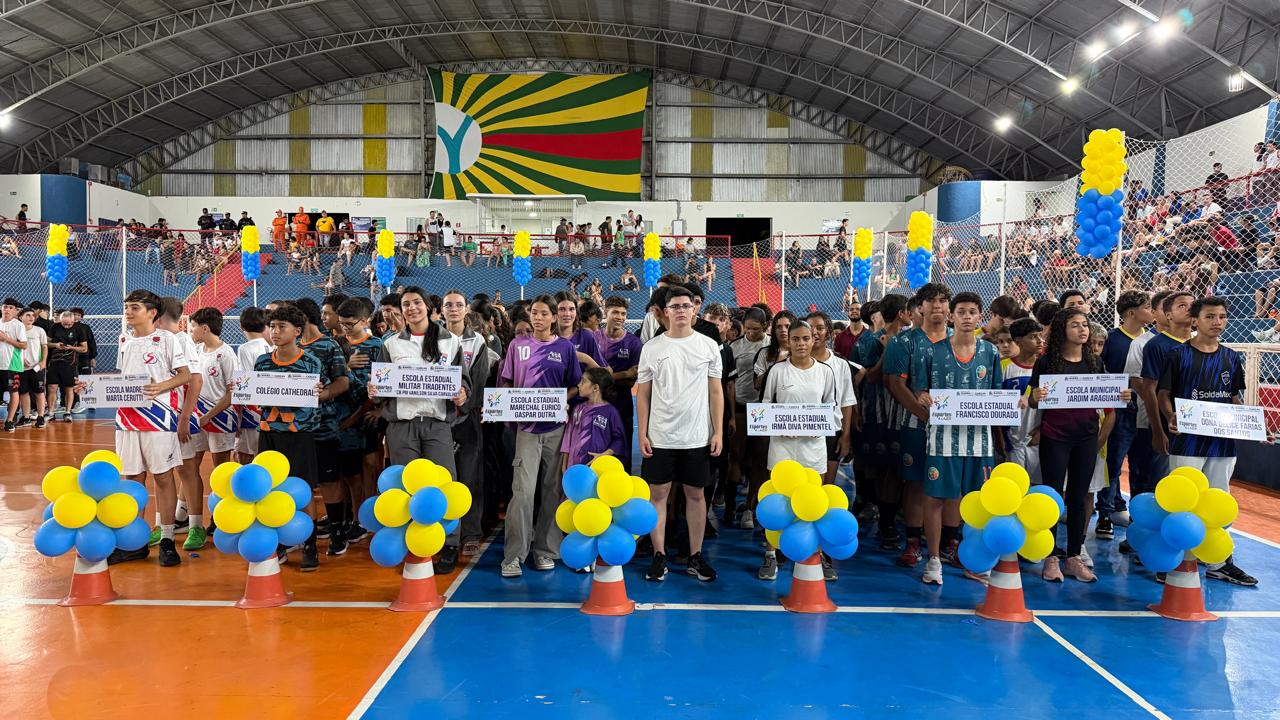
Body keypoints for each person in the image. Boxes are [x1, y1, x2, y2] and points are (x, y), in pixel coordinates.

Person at [1158, 296, 1257, 586]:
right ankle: (1174, 560)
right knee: (1182, 499)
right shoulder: (1178, 355)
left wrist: (1249, 425)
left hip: (1221, 441)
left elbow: (1234, 397)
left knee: (1218, 499)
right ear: (1195, 320)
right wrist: (1170, 416)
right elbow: (1163, 393)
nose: (1217, 322)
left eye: (1222, 317)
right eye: (1210, 317)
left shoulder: (1231, 357)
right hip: (1187, 439)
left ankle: (1219, 561)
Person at [1030, 307, 1131, 583]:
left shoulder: (1095, 363)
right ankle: (1051, 557)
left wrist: (1120, 395)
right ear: (1062, 330)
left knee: (1078, 497)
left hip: (1086, 437)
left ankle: (1073, 556)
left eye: (1084, 324)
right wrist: (1036, 396)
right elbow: (1033, 402)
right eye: (1075, 325)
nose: (1082, 330)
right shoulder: (1046, 363)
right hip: (1055, 436)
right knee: (1053, 497)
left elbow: (1107, 397)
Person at [913, 292, 1003, 586]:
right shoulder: (933, 352)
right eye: (961, 312)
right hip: (942, 438)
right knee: (935, 499)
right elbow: (920, 389)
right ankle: (934, 560)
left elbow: (998, 394)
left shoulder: (990, 352)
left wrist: (1013, 404)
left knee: (979, 502)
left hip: (980, 441)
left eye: (972, 312)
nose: (967, 317)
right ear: (951, 316)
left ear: (980, 317)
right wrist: (922, 396)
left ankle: (976, 561)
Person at [637, 285, 723, 583]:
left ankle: (695, 555)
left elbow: (716, 392)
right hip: (660, 436)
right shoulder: (652, 348)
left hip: (697, 436)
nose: (682, 310)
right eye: (675, 306)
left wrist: (717, 431)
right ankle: (659, 555)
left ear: (694, 309)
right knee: (658, 494)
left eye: (687, 305)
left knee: (695, 495)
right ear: (666, 311)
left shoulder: (708, 346)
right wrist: (643, 433)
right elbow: (644, 395)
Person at [102, 290, 192, 567]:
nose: (128, 312)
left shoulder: (167, 339)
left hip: (158, 417)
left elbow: (186, 375)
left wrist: (161, 386)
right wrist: (93, 388)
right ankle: (134, 542)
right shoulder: (124, 339)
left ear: (152, 313)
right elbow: (123, 378)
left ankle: (167, 539)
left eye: (135, 307)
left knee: (163, 477)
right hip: (127, 418)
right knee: (132, 478)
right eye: (127, 307)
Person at [498, 295, 583, 577]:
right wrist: (509, 402)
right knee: (522, 493)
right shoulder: (518, 345)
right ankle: (514, 556)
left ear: (554, 318)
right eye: (534, 312)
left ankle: (545, 550)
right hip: (526, 429)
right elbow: (507, 381)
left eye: (544, 313)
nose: (537, 317)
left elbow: (575, 385)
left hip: (556, 428)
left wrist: (560, 400)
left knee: (552, 491)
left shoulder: (565, 348)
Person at [756, 320, 837, 581]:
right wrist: (778, 426)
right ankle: (771, 554)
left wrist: (819, 427)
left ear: (813, 340)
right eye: (795, 339)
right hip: (782, 449)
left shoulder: (825, 372)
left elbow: (833, 410)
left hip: (813, 449)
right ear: (788, 341)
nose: (801, 344)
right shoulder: (777, 371)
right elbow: (765, 407)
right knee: (776, 502)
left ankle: (815, 555)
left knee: (814, 502)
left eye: (805, 338)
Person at [884, 284, 951, 568]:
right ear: (920, 307)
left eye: (943, 300)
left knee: (951, 481)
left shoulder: (962, 341)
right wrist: (925, 416)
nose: (937, 305)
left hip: (954, 426)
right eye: (930, 301)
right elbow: (896, 385)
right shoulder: (904, 341)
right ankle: (913, 542)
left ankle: (950, 542)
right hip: (915, 423)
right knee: (915, 482)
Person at [255, 305, 326, 570]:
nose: (275, 331)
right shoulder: (262, 362)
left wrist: (317, 391)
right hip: (269, 433)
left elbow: (315, 397)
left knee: (303, 489)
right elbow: (257, 396)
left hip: (299, 435)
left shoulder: (311, 363)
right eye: (272, 326)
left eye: (281, 327)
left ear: (297, 331)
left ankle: (310, 544)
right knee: (270, 490)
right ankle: (280, 543)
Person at [296, 297, 352, 559]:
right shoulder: (291, 347)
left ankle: (337, 531)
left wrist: (325, 395)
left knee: (329, 481)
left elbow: (343, 381)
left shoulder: (329, 345)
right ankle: (305, 537)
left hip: (324, 424)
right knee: (302, 483)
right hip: (296, 428)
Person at [1096, 291, 1153, 539]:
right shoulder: (1112, 339)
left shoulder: (1151, 340)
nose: (1152, 311)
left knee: (1142, 467)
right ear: (1131, 313)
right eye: (1147, 307)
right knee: (1114, 464)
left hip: (1146, 411)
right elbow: (1100, 373)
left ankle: (1139, 517)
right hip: (1119, 409)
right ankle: (1105, 514)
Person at [440, 289, 490, 569]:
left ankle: (470, 532)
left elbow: (480, 381)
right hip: (440, 417)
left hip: (468, 417)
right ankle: (446, 532)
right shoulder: (434, 339)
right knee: (445, 477)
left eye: (459, 305)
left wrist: (467, 405)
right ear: (441, 310)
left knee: (470, 475)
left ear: (466, 309)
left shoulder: (477, 341)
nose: (454, 309)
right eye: (449, 305)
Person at [184, 307, 241, 549]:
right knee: (191, 465)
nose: (191, 331)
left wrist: (209, 415)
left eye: (193, 327)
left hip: (220, 418)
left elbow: (232, 392)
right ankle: (187, 516)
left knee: (221, 470)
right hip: (198, 418)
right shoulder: (197, 351)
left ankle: (220, 516)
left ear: (205, 328)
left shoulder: (226, 355)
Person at [333, 298, 384, 546]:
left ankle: (364, 518)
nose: (345, 328)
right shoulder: (336, 344)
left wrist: (369, 411)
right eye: (341, 323)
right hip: (338, 417)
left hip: (366, 415)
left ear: (365, 321)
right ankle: (345, 516)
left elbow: (381, 384)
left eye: (350, 324)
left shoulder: (377, 346)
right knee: (345, 471)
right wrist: (345, 365)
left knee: (368, 466)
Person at [726, 307, 769, 527]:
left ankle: (750, 508)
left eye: (756, 329)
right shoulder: (735, 346)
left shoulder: (771, 346)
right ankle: (729, 505)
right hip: (740, 405)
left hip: (762, 408)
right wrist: (731, 413)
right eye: (748, 329)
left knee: (759, 459)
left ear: (765, 327)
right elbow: (730, 383)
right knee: (735, 455)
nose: (751, 333)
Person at [599, 296, 643, 471]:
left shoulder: (634, 343)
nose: (620, 317)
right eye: (615, 312)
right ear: (606, 312)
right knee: (596, 452)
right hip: (595, 406)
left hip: (622, 406)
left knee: (622, 454)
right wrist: (623, 374)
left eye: (623, 314)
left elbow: (631, 381)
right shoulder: (594, 338)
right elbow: (590, 377)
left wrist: (604, 378)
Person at [1001, 317, 1043, 484]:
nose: (1039, 341)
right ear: (1018, 341)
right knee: (1014, 485)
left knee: (1038, 487)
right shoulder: (1004, 367)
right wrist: (1001, 438)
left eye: (1040, 336)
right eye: (1033, 337)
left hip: (1038, 437)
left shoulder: (1047, 366)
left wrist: (1043, 430)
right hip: (1011, 439)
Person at [560, 366, 627, 470]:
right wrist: (564, 465)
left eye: (583, 382)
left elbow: (619, 439)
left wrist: (604, 454)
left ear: (595, 388)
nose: (579, 385)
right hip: (574, 466)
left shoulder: (610, 412)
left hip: (598, 466)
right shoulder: (578, 409)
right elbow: (568, 436)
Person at [235, 307, 272, 464]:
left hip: (252, 407)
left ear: (242, 326)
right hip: (268, 405)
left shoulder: (245, 348)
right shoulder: (270, 346)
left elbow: (245, 381)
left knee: (245, 453)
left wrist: (238, 414)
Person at [44, 309, 87, 423]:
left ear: (73, 321)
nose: (66, 326)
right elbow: (46, 343)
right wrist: (56, 345)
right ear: (61, 320)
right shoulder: (55, 327)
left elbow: (84, 348)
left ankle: (67, 412)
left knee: (69, 388)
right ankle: (51, 413)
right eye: (64, 324)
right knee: (52, 387)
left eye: (69, 324)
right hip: (54, 362)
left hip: (70, 363)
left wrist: (72, 348)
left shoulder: (79, 329)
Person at [0, 298, 28, 433]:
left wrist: (6, 339)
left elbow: (23, 345)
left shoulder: (18, 325)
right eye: (5, 306)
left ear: (15, 310)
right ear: (1, 308)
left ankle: (9, 420)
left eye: (10, 307)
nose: (7, 309)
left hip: (11, 364)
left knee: (13, 392)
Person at [16, 307, 46, 428]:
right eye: (28, 315)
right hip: (21, 367)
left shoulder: (39, 330)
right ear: (20, 317)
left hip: (36, 367)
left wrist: (43, 361)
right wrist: (21, 359)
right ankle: (26, 417)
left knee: (39, 392)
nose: (31, 317)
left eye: (33, 315)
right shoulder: (16, 331)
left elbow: (44, 347)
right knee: (23, 393)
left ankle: (41, 417)